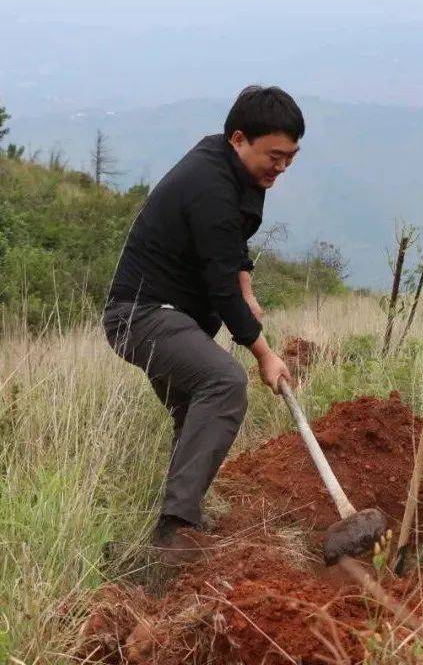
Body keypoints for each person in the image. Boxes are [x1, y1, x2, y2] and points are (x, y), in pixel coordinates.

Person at [103, 85, 302, 563]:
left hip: (175, 318)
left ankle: (170, 538)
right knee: (223, 381)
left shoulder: (236, 171)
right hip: (142, 316)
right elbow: (219, 286)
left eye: (290, 157)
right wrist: (265, 355)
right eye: (274, 156)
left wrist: (248, 287)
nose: (281, 168)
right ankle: (177, 531)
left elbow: (233, 247)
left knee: (194, 413)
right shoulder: (209, 185)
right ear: (239, 138)